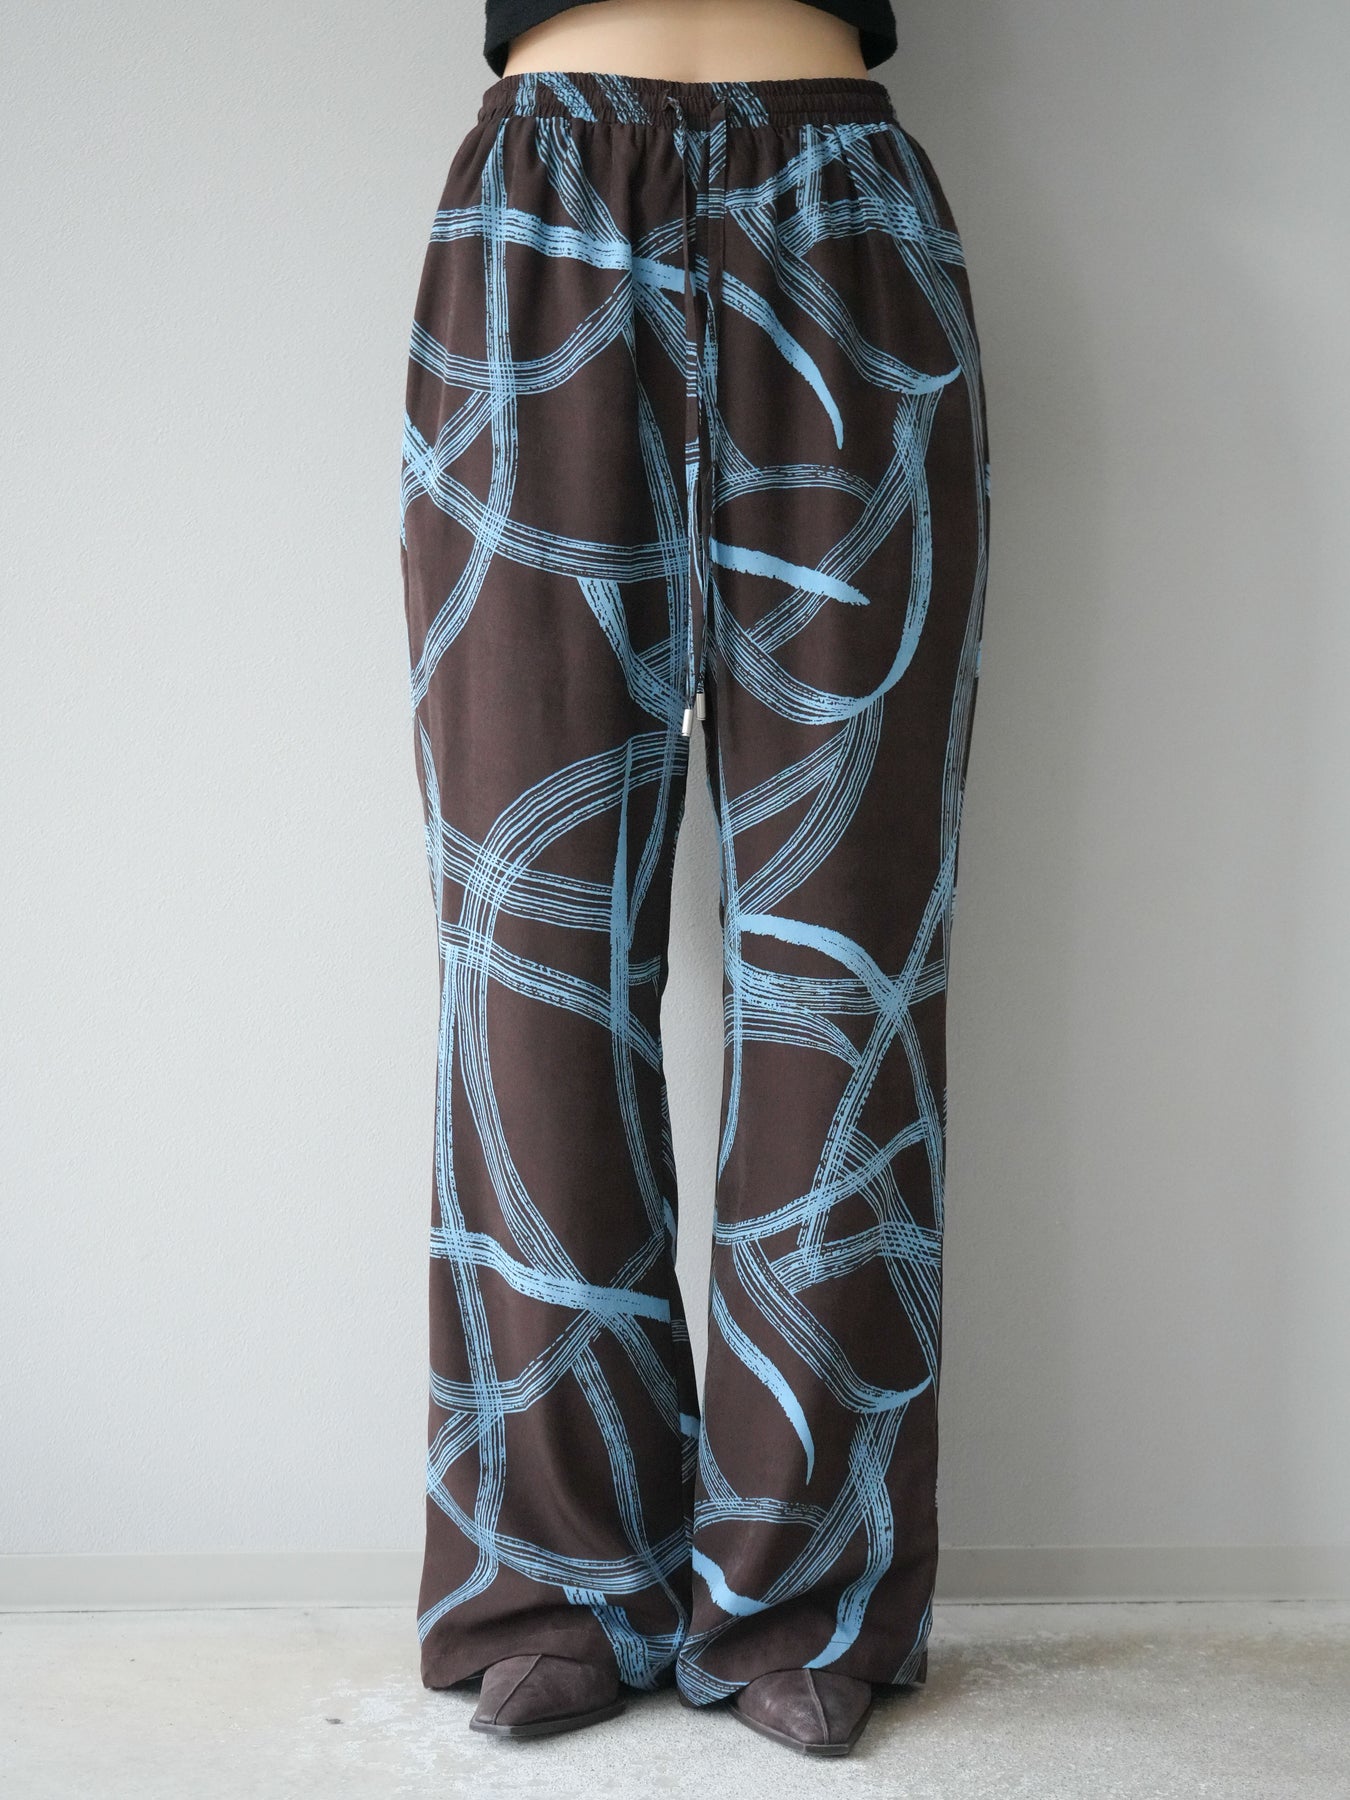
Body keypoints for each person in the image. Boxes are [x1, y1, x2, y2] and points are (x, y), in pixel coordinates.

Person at [397, 0, 989, 1757]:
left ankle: (805, 1589)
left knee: (847, 949)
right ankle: (550, 1579)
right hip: (541, 218)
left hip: (844, 212)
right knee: (528, 948)